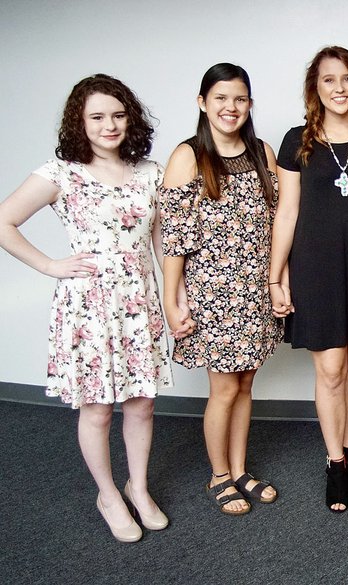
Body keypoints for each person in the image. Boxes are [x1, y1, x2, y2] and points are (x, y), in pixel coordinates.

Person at [0, 75, 173, 542]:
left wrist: (173, 298)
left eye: (117, 115)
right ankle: (108, 495)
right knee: (97, 409)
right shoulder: (61, 173)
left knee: (143, 403)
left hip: (139, 301)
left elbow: (160, 242)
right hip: (88, 307)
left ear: (129, 118)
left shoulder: (150, 173)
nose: (109, 125)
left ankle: (138, 487)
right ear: (80, 122)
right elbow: (4, 220)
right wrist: (52, 265)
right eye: (97, 116)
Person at [270, 46, 348, 513]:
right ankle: (334, 464)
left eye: (347, 79)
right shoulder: (296, 140)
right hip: (316, 266)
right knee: (329, 369)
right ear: (315, 88)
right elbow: (285, 212)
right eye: (328, 80)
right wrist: (275, 277)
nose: (339, 88)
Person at [160, 63, 282, 516]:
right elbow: (174, 238)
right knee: (224, 389)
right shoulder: (187, 156)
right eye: (221, 99)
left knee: (247, 383)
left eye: (240, 99)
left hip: (254, 291)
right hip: (211, 294)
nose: (231, 108)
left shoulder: (262, 153)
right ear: (202, 102)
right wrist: (173, 301)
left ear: (249, 104)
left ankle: (239, 467)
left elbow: (275, 224)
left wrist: (278, 280)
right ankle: (218, 476)